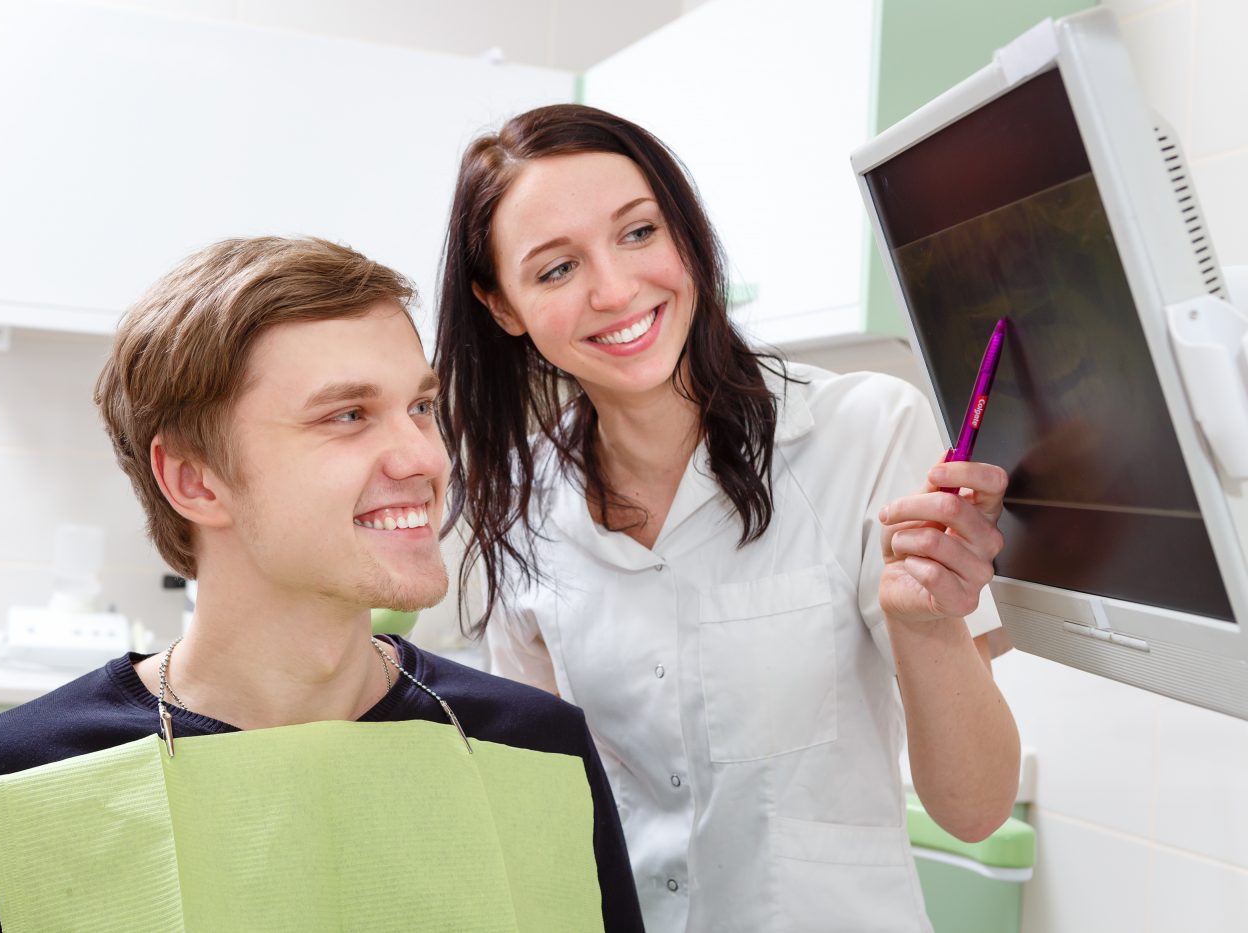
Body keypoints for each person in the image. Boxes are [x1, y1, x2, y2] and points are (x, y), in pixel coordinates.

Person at [0, 236, 644, 932]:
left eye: (419, 407)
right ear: (194, 479)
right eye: (347, 415)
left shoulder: (540, 750)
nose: (423, 457)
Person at [434, 104, 1021, 932]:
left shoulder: (867, 433)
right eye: (556, 269)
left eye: (638, 233)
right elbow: (541, 809)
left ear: (686, 230)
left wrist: (925, 627)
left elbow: (974, 809)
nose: (615, 288)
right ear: (503, 307)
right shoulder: (523, 503)